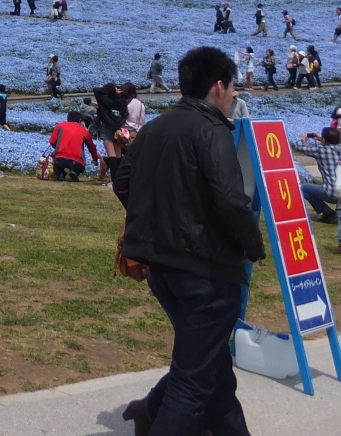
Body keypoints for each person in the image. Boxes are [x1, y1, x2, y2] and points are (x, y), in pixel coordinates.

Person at [114, 46, 266, 436]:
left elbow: (123, 182)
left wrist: (153, 221)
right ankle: (153, 414)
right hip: (206, 274)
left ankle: (148, 410)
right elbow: (232, 201)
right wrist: (252, 247)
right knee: (192, 383)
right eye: (232, 87)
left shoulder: (155, 128)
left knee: (211, 366)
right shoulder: (212, 129)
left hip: (160, 269)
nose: (234, 95)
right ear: (218, 86)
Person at [292, 128, 341, 223]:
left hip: (332, 193)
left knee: (303, 188)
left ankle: (327, 213)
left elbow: (300, 146)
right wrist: (323, 139)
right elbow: (331, 147)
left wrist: (303, 138)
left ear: (324, 139)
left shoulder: (321, 151)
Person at [47, 111, 98, 181]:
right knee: (79, 163)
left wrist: (58, 148)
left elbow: (52, 141)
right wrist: (95, 159)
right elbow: (92, 147)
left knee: (58, 159)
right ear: (80, 120)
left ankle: (61, 173)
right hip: (76, 162)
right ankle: (74, 171)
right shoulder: (84, 131)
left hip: (59, 158)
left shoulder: (60, 126)